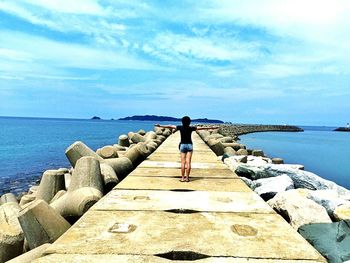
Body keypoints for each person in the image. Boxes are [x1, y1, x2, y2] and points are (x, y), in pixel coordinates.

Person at [155, 116, 219, 182]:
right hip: (189, 145)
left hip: (182, 145)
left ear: (182, 122)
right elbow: (202, 128)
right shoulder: (191, 128)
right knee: (188, 162)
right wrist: (212, 128)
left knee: (183, 163)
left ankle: (182, 178)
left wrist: (160, 126)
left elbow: (170, 126)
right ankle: (187, 178)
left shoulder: (180, 127)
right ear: (189, 122)